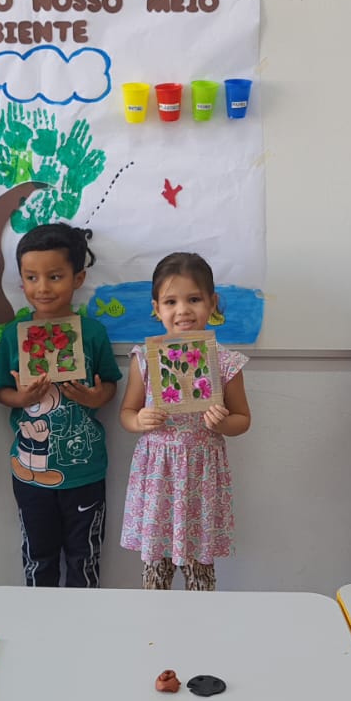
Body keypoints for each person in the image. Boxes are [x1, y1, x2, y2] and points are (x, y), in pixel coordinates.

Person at [0, 224, 121, 587]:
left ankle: (83, 618)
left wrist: (95, 397)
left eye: (55, 276)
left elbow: (110, 384)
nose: (43, 287)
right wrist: (22, 399)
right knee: (38, 556)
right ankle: (38, 617)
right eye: (31, 277)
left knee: (85, 557)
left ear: (78, 278)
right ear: (21, 280)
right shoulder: (13, 334)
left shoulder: (92, 332)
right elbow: (0, 391)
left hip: (85, 470)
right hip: (30, 471)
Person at [119, 252, 252, 590]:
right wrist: (140, 420)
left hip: (200, 476)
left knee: (200, 571)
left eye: (194, 299)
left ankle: (201, 619)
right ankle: (154, 620)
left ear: (212, 302)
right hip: (158, 475)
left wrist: (222, 423)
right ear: (156, 308)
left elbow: (242, 419)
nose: (183, 310)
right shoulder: (144, 358)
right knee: (155, 569)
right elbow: (127, 412)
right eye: (171, 302)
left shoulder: (225, 362)